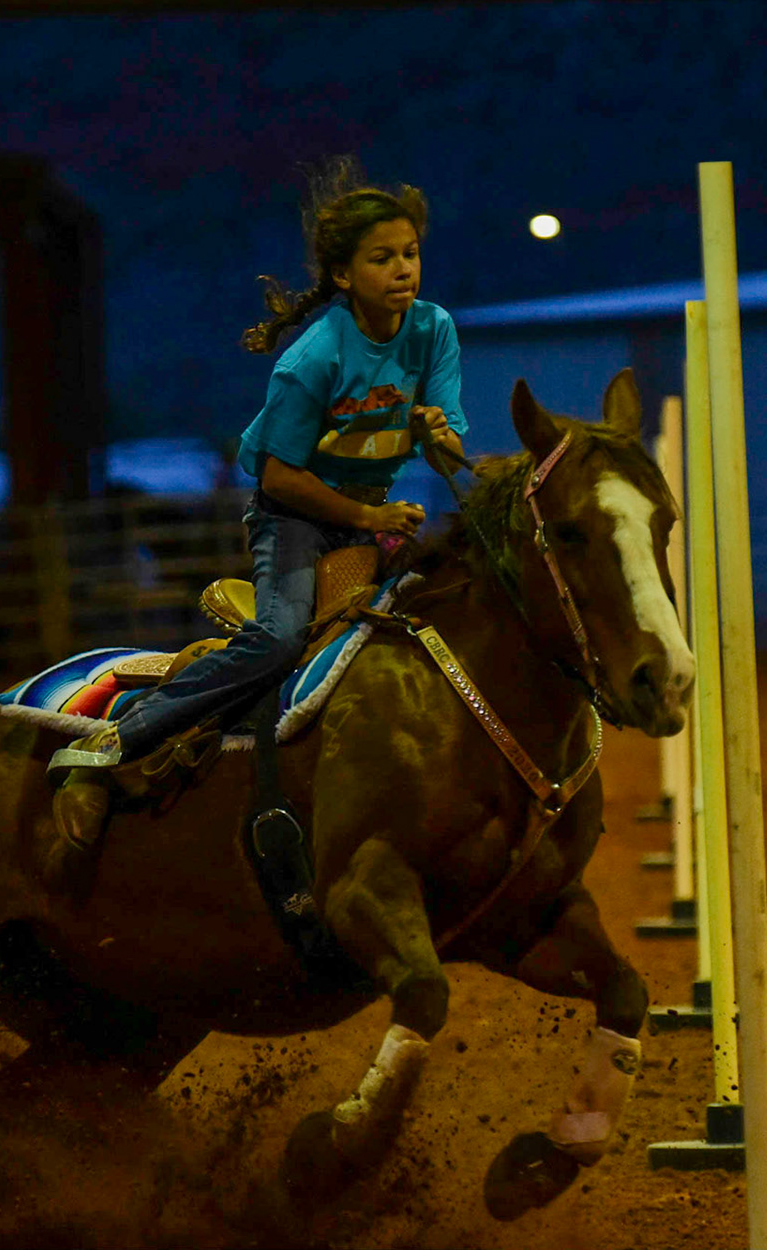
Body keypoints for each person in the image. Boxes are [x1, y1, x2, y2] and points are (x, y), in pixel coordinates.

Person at [47, 158, 467, 854]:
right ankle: (116, 740)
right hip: (298, 519)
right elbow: (277, 479)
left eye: (411, 254)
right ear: (342, 275)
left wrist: (437, 435)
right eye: (383, 257)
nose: (404, 269)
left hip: (374, 512)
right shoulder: (314, 358)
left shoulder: (433, 331)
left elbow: (449, 450)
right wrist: (367, 520)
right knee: (276, 639)